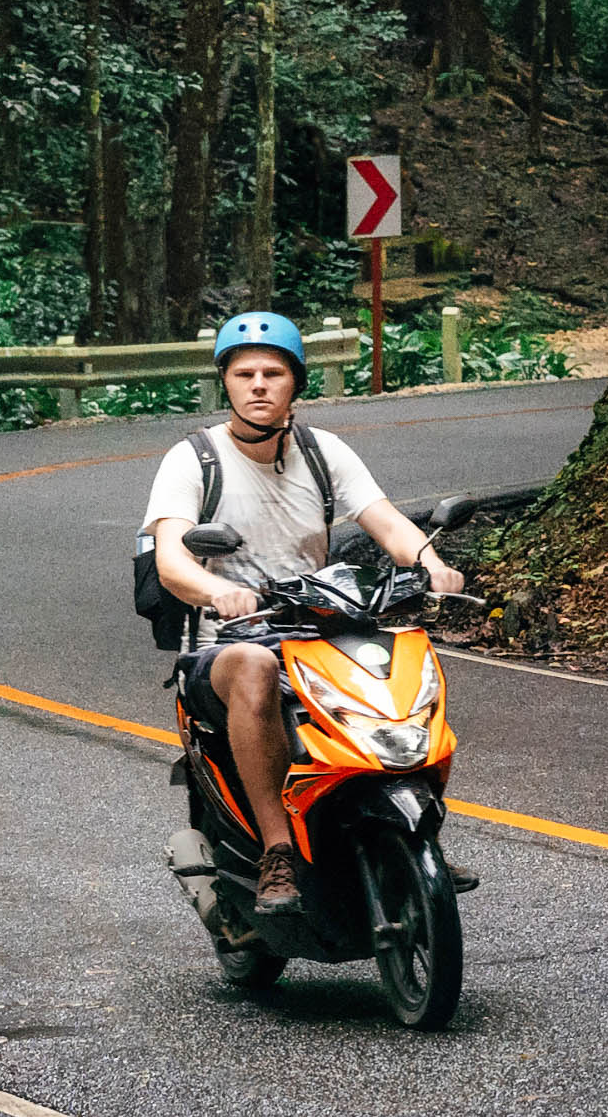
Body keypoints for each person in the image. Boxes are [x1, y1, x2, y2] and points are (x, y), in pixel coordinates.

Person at [143, 311, 465, 913]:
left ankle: (421, 828)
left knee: (401, 656)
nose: (259, 384)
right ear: (227, 383)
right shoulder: (193, 459)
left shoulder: (324, 453)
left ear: (296, 383)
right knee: (254, 667)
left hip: (316, 630)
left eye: (273, 372)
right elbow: (172, 560)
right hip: (229, 641)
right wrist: (217, 592)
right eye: (245, 374)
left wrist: (430, 562)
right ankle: (277, 851)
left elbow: (387, 521)